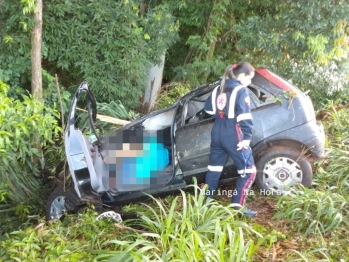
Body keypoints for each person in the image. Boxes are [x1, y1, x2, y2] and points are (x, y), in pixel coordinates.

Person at [204, 62, 257, 218]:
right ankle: (237, 206)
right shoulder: (241, 90)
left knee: (214, 169)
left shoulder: (217, 89)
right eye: (250, 78)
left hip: (217, 131)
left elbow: (208, 110)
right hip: (234, 133)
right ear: (241, 76)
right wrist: (247, 137)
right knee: (249, 171)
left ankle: (205, 204)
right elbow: (244, 116)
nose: (250, 82)